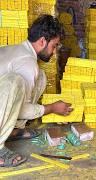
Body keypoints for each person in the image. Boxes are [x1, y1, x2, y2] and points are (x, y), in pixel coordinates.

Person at [0, 15, 73, 167]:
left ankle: (12, 130)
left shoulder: (16, 49)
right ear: (42, 41)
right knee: (14, 82)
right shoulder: (27, 62)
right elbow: (21, 110)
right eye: (54, 46)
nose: (54, 52)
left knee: (40, 77)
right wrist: (52, 108)